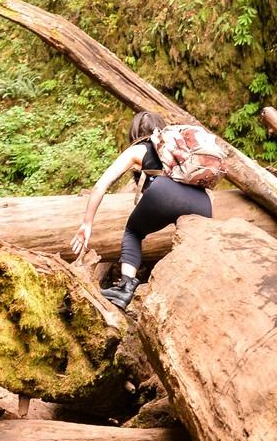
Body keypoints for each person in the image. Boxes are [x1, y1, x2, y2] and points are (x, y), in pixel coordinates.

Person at [69, 110, 213, 307]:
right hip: (202, 201)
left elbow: (100, 186)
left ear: (135, 133)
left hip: (164, 193)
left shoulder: (138, 150)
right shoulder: (179, 150)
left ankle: (125, 287)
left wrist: (87, 223)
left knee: (133, 232)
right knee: (197, 245)